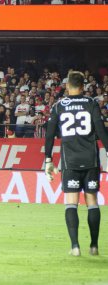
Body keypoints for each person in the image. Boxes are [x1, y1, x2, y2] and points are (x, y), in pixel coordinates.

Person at [45, 71, 108, 257]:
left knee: (71, 203)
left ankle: (75, 247)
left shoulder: (58, 106)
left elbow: (49, 135)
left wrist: (48, 159)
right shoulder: (91, 103)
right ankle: (94, 246)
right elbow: (101, 130)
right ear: (83, 87)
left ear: (67, 86)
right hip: (90, 160)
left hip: (70, 161)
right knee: (92, 202)